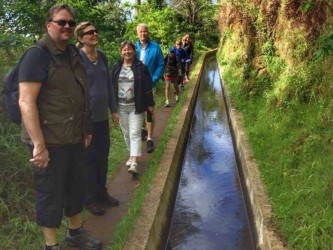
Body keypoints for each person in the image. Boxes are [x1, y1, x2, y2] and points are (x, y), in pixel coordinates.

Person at [18, 5, 102, 250]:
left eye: (70, 23)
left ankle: (75, 233)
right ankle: (51, 245)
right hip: (49, 143)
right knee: (51, 194)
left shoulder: (72, 54)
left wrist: (85, 129)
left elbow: (81, 95)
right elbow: (26, 100)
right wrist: (39, 146)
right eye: (61, 22)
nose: (67, 26)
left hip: (73, 137)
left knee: (76, 187)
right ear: (48, 25)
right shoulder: (37, 54)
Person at [74, 22, 120, 216]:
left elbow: (108, 84)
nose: (94, 34)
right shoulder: (77, 59)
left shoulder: (101, 56)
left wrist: (114, 109)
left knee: (102, 157)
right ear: (80, 38)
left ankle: (102, 193)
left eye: (96, 30)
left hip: (102, 118)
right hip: (86, 120)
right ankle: (90, 199)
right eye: (90, 32)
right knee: (89, 160)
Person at [110, 41, 155, 175]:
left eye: (129, 49)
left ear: (134, 51)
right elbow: (111, 86)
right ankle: (132, 154)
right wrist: (112, 107)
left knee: (135, 133)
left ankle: (134, 161)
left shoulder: (141, 67)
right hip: (121, 107)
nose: (127, 52)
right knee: (126, 134)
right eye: (124, 50)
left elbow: (147, 86)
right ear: (121, 52)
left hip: (137, 106)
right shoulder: (116, 67)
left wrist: (150, 104)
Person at [135, 23, 164, 153]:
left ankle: (150, 139)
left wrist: (154, 79)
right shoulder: (133, 47)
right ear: (137, 34)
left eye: (145, 31)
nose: (143, 34)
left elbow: (161, 64)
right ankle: (142, 129)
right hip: (135, 86)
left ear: (148, 33)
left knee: (149, 111)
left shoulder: (155, 47)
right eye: (140, 32)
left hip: (149, 84)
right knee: (138, 110)